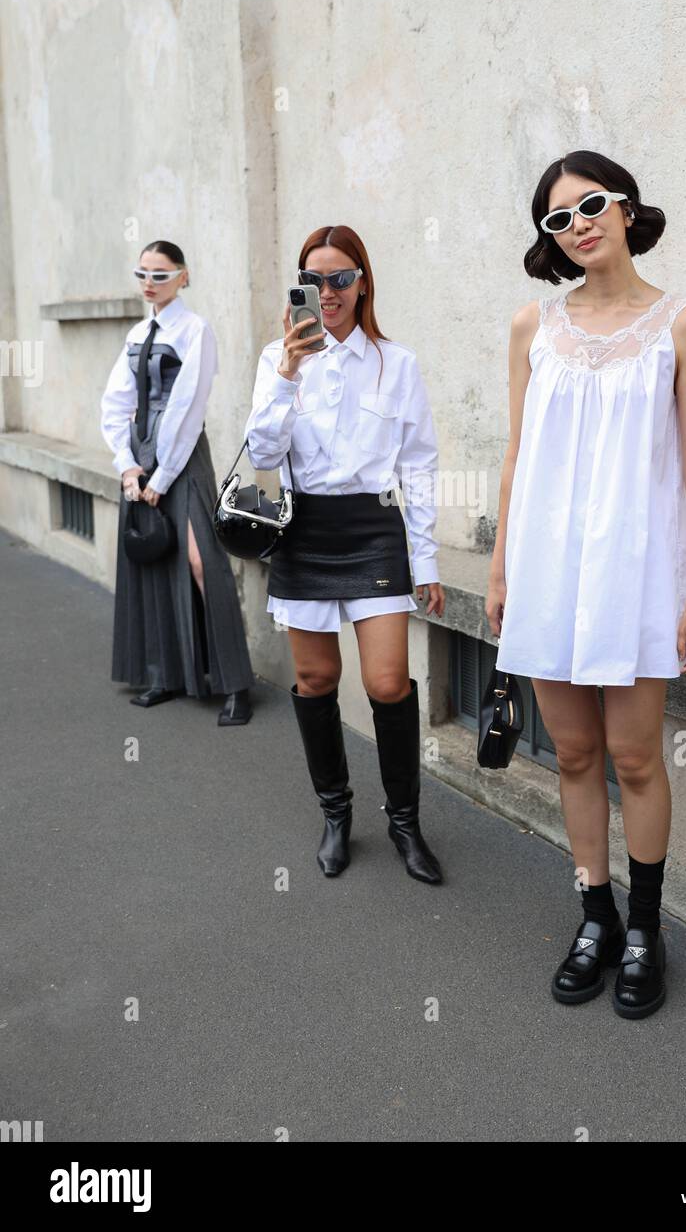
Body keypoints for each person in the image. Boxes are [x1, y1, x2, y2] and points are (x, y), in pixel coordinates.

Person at [487, 151, 686, 1018]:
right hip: (548, 574)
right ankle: (595, 914)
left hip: (635, 575)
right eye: (557, 219)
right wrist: (504, 567)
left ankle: (647, 929)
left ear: (625, 208)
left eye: (589, 205)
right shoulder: (532, 328)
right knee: (574, 754)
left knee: (634, 757)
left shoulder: (681, 325)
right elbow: (515, 460)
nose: (577, 224)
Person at [244, 225, 446, 883]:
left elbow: (418, 466)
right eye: (313, 280)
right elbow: (265, 455)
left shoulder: (398, 363)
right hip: (306, 532)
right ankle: (336, 814)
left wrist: (428, 562)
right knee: (316, 680)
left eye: (340, 279)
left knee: (387, 682)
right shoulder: (280, 357)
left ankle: (405, 822)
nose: (326, 292)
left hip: (375, 530)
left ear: (363, 283)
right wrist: (286, 374)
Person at [101, 240, 254, 726]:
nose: (150, 282)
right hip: (139, 458)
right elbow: (115, 404)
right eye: (142, 273)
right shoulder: (135, 333)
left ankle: (234, 684)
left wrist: (163, 475)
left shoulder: (195, 330)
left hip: (182, 460)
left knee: (201, 561)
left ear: (183, 276)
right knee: (151, 554)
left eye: (160, 274)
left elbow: (189, 407)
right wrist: (127, 465)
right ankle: (163, 673)